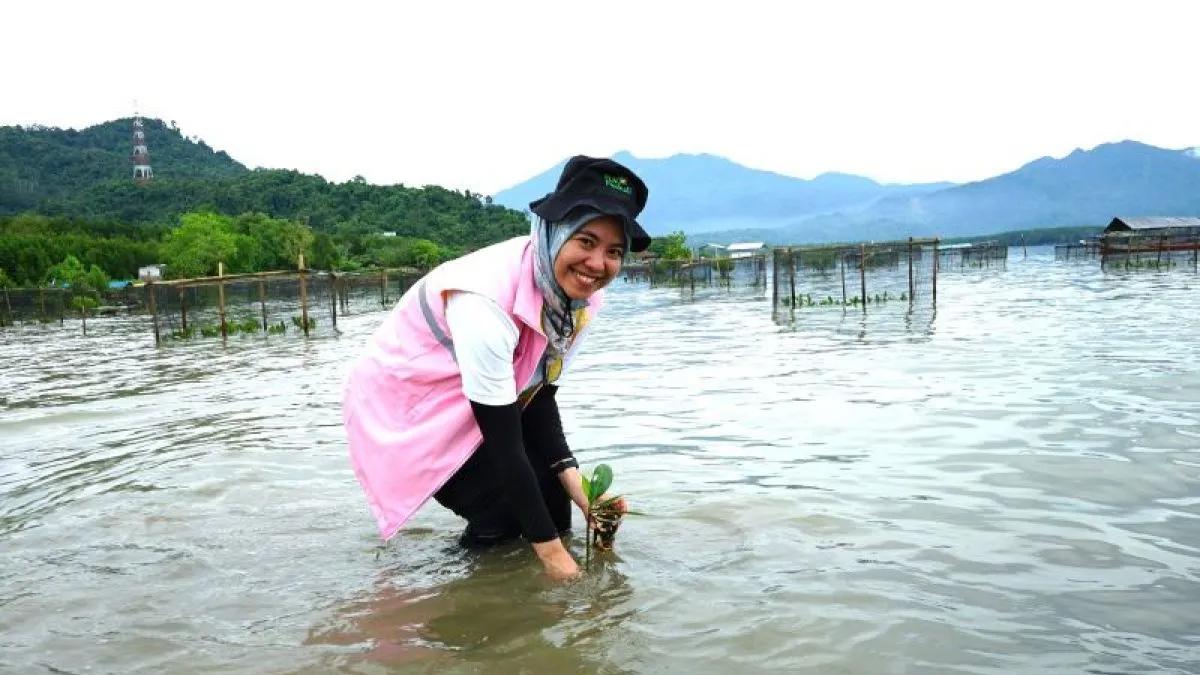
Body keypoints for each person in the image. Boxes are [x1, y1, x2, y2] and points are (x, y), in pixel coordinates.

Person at [343, 155, 650, 581]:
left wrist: (581, 493)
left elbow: (539, 396)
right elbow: (506, 445)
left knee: (552, 508)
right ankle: (467, 605)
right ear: (555, 232)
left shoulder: (575, 302)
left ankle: (491, 589)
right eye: (585, 241)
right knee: (503, 514)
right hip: (411, 405)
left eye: (614, 252)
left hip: (485, 394)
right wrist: (559, 565)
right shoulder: (483, 299)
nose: (597, 264)